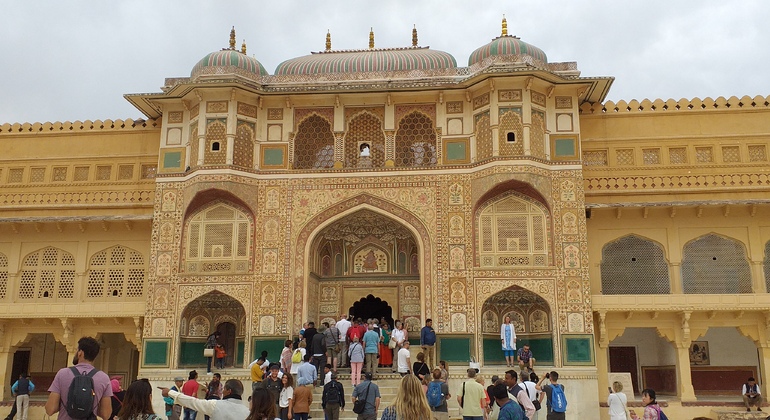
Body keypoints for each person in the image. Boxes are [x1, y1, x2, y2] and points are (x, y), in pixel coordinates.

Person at [45, 336, 113, 420]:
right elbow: (106, 414)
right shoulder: (103, 378)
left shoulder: (62, 374)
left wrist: (67, 404)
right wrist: (90, 407)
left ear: (80, 353)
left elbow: (50, 409)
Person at [162, 379, 250, 420]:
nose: (222, 391)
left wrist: (170, 392)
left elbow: (193, 402)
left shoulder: (216, 405)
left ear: (229, 391)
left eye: (224, 389)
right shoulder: (248, 412)